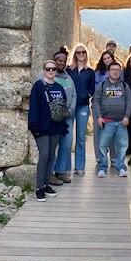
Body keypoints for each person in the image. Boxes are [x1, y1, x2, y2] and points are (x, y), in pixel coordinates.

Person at [28, 60, 69, 202]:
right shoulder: (38, 86)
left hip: (55, 127)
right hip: (42, 127)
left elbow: (63, 107)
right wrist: (34, 126)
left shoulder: (59, 87)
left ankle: (45, 184)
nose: (51, 71)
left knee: (52, 155)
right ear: (44, 70)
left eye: (53, 69)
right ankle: (39, 187)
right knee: (44, 154)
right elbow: (34, 106)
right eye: (48, 69)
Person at [92, 61, 131, 178]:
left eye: (117, 70)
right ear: (109, 72)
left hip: (121, 122)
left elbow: (129, 102)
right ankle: (102, 168)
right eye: (113, 69)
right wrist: (99, 117)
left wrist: (127, 116)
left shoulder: (125, 86)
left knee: (122, 146)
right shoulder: (102, 85)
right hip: (106, 122)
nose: (115, 72)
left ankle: (121, 167)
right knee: (103, 146)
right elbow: (96, 102)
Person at [66, 43, 95, 177]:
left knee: (81, 137)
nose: (81, 54)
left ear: (86, 54)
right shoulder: (69, 70)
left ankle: (80, 166)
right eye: (78, 52)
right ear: (74, 54)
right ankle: (65, 167)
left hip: (83, 106)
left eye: (83, 52)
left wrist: (86, 95)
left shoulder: (90, 71)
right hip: (69, 106)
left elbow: (92, 89)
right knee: (67, 136)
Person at [49, 47, 77, 185]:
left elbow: (74, 95)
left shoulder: (69, 78)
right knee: (51, 145)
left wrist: (70, 110)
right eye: (58, 60)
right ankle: (49, 173)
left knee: (66, 144)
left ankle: (61, 171)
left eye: (64, 61)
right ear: (54, 61)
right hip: (52, 118)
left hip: (67, 118)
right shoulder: (47, 75)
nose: (61, 63)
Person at [93, 50, 116, 165]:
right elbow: (95, 89)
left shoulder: (117, 71)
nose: (107, 60)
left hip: (113, 106)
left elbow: (120, 89)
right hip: (98, 105)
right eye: (105, 58)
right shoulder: (97, 72)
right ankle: (100, 157)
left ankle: (113, 158)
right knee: (98, 132)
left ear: (112, 59)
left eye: (109, 58)